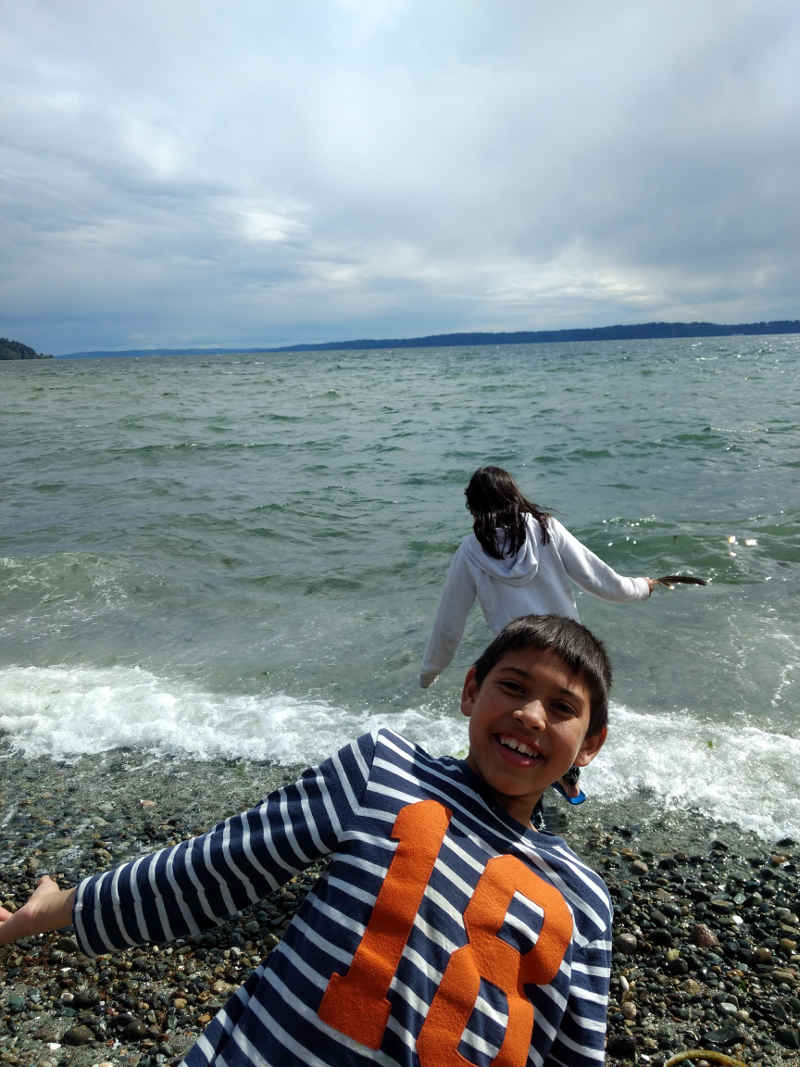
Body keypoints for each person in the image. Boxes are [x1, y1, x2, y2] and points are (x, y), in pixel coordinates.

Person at [0, 614, 612, 1067]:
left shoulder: (584, 898)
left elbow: (570, 1051)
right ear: (471, 690)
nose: (532, 715)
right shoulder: (386, 770)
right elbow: (214, 868)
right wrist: (46, 913)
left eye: (562, 707)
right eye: (513, 686)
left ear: (590, 745)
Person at [419, 465, 654, 808]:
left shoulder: (470, 552)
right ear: (514, 495)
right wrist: (643, 588)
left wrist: (431, 670)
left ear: (473, 509)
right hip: (566, 649)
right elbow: (602, 581)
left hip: (517, 657)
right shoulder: (547, 530)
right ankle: (566, 774)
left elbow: (448, 623)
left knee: (518, 731)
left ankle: (524, 797)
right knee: (562, 719)